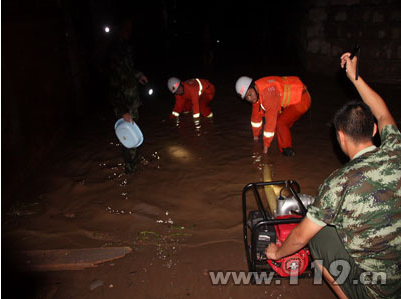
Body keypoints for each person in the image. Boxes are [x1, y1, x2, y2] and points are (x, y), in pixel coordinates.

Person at [265, 53, 401, 299]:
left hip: (379, 291)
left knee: (319, 236)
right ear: (373, 130)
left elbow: (298, 238)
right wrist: (355, 77)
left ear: (340, 137)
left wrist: (276, 253)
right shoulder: (396, 149)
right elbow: (382, 112)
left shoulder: (338, 183)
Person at [108, 18, 148, 174]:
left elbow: (128, 70)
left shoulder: (124, 48)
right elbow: (112, 87)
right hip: (124, 103)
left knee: (135, 134)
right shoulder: (115, 52)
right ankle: (130, 170)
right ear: (120, 29)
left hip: (132, 100)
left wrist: (138, 75)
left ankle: (135, 163)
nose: (129, 30)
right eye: (127, 27)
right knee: (127, 136)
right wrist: (122, 110)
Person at [235, 75, 311, 156]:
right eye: (247, 97)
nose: (250, 98)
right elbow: (255, 116)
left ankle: (287, 151)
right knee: (278, 124)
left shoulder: (268, 93)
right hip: (292, 101)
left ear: (254, 87)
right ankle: (279, 142)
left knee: (280, 123)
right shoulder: (257, 93)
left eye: (250, 94)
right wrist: (255, 136)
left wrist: (266, 146)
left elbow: (271, 120)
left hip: (302, 99)